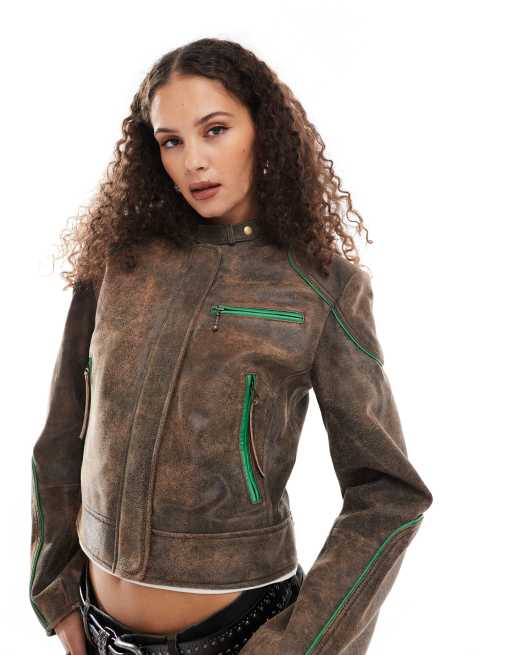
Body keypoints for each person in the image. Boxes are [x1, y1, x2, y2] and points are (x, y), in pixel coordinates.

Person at [29, 38, 433, 655]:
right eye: (171, 141)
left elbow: (388, 493)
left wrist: (297, 646)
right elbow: (62, 436)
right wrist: (55, 590)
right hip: (95, 631)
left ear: (261, 130)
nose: (193, 160)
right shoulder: (121, 264)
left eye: (214, 130)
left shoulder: (320, 286)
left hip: (241, 638)